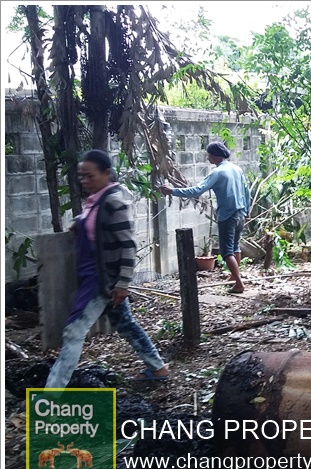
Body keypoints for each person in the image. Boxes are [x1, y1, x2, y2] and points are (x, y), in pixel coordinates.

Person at [46, 150, 169, 388]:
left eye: (90, 176)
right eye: (82, 176)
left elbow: (128, 245)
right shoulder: (97, 200)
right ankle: (158, 368)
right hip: (96, 277)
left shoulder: (114, 202)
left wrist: (122, 283)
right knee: (125, 324)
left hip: (101, 281)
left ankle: (51, 396)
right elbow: (93, 222)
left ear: (106, 174)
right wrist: (79, 222)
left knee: (73, 331)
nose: (85, 181)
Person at [160, 141, 251, 293]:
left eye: (208, 155)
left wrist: (172, 191)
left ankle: (239, 283)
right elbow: (246, 191)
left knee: (227, 251)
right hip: (240, 213)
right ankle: (235, 276)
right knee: (235, 246)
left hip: (227, 216)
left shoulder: (217, 173)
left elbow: (196, 191)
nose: (207, 158)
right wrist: (247, 210)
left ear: (215, 156)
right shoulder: (236, 168)